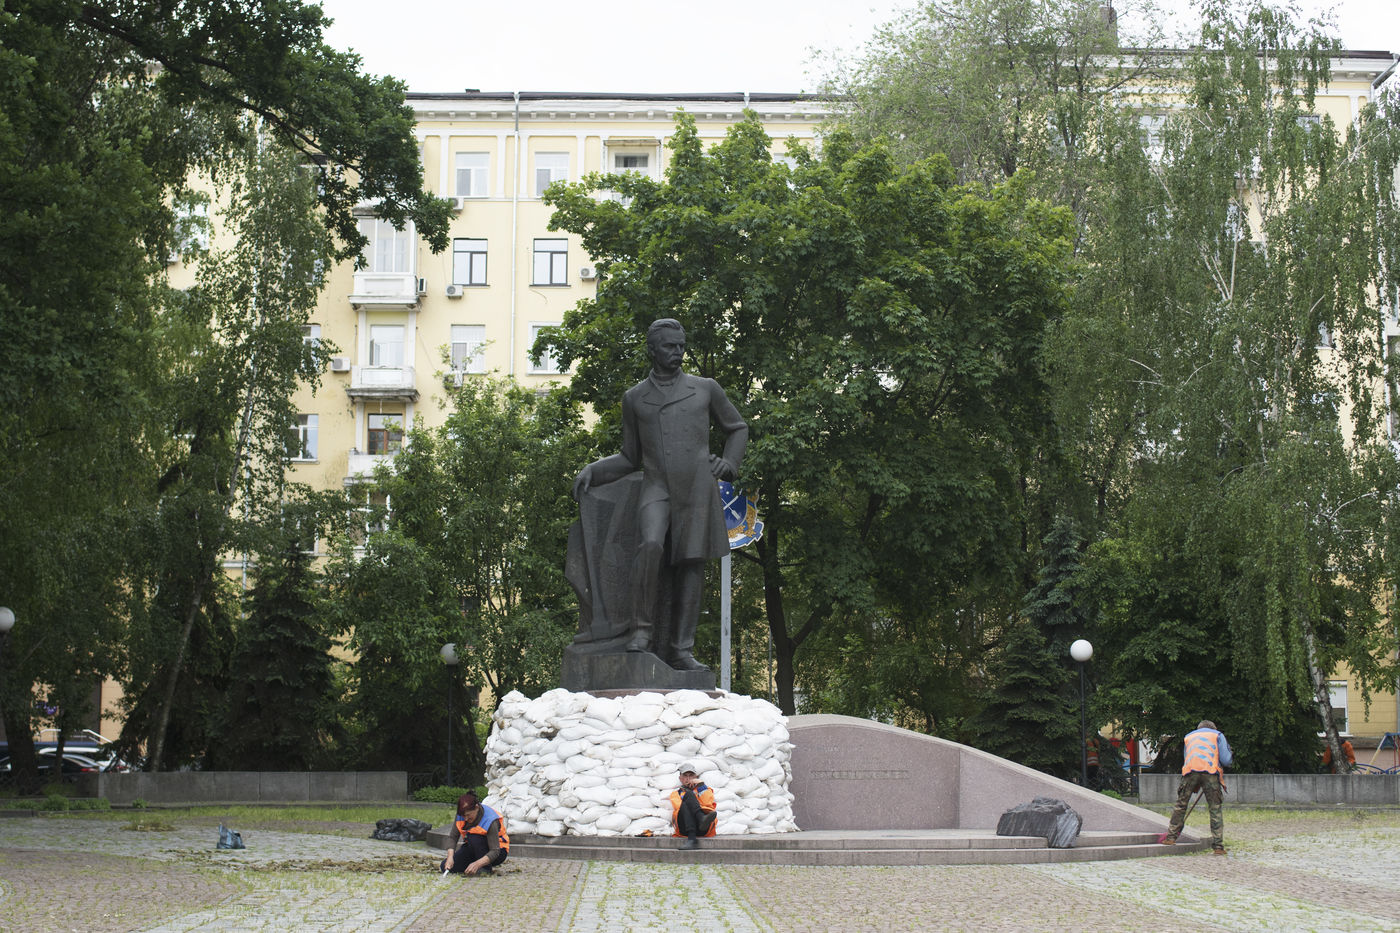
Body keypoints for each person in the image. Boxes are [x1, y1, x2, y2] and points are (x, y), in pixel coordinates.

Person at [573, 319, 748, 671]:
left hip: (697, 488)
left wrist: (729, 463)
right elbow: (629, 457)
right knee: (650, 544)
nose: (678, 352)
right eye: (670, 346)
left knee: (692, 564)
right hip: (656, 487)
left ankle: (682, 649)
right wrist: (594, 469)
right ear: (652, 350)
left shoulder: (705, 388)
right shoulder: (635, 398)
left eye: (681, 346)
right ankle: (641, 632)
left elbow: (738, 427)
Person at [1160, 720, 1233, 854]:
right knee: (1215, 809)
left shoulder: (1189, 736)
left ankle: (1170, 837)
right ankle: (1218, 846)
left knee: (1181, 805)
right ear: (1213, 728)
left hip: (1190, 771)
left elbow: (1187, 757)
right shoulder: (1217, 735)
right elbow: (1226, 760)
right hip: (1210, 772)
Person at [440, 791, 509, 875]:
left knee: (474, 837)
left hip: (497, 852)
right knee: (445, 866)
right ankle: (473, 865)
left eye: (468, 815)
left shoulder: (490, 819)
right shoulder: (461, 814)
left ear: (477, 807)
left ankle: (485, 869)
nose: (466, 819)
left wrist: (477, 864)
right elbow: (453, 837)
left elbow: (495, 851)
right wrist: (450, 857)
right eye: (463, 816)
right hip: (473, 848)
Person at [670, 762, 717, 850]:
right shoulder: (675, 794)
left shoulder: (705, 789)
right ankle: (700, 819)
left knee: (689, 795)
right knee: (687, 798)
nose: (688, 779)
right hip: (685, 828)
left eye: (691, 776)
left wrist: (701, 786)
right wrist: (690, 795)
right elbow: (679, 808)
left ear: (696, 777)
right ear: (680, 778)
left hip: (703, 828)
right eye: (685, 776)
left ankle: (701, 822)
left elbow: (708, 804)